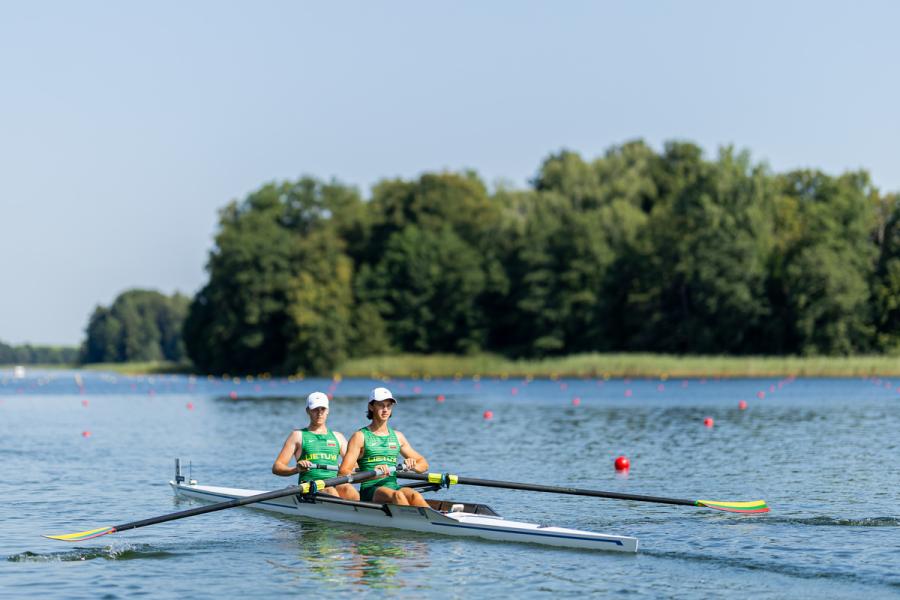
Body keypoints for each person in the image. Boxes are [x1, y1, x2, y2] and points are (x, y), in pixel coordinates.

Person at [338, 387, 430, 506]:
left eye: (388, 406)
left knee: (414, 495)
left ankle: (433, 518)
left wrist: (413, 466)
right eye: (381, 405)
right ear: (371, 407)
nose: (385, 409)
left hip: (393, 486)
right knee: (398, 495)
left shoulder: (398, 437)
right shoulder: (360, 436)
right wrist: (373, 474)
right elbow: (343, 472)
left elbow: (424, 464)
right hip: (370, 489)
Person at [272, 391, 359, 500]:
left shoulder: (338, 437)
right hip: (310, 487)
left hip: (334, 483)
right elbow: (277, 467)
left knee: (350, 490)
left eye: (323, 409)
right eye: (315, 409)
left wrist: (346, 468)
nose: (319, 413)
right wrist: (296, 469)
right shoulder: (297, 435)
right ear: (308, 411)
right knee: (330, 491)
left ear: (328, 411)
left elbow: (356, 467)